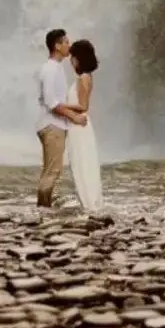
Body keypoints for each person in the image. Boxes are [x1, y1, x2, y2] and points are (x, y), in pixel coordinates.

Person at [36, 28, 87, 207]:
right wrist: (74, 117)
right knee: (53, 171)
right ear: (57, 46)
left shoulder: (56, 68)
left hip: (55, 125)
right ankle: (43, 209)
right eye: (66, 42)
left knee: (51, 170)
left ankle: (44, 206)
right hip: (52, 125)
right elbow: (52, 103)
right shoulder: (50, 70)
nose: (69, 45)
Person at [67, 39, 104, 213]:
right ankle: (90, 202)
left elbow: (83, 105)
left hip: (79, 125)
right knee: (83, 162)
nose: (71, 60)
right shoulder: (86, 76)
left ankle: (89, 203)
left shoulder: (83, 78)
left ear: (79, 58)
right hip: (79, 124)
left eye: (73, 57)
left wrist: (60, 106)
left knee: (81, 163)